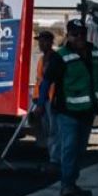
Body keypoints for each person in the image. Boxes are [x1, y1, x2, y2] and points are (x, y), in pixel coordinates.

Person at [39, 19, 98, 196]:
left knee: (80, 149)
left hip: (88, 110)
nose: (79, 38)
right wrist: (40, 104)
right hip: (66, 110)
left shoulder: (95, 53)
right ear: (68, 36)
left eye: (82, 34)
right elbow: (47, 81)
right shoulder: (60, 56)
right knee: (69, 147)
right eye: (75, 34)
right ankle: (66, 185)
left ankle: (72, 182)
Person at [31, 27, 58, 170]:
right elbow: (40, 81)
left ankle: (54, 159)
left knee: (53, 130)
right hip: (43, 99)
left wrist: (42, 101)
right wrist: (37, 98)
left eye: (43, 41)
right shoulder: (43, 59)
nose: (41, 44)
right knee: (47, 130)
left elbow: (47, 82)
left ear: (50, 42)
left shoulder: (53, 58)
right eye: (40, 41)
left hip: (50, 99)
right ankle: (52, 156)